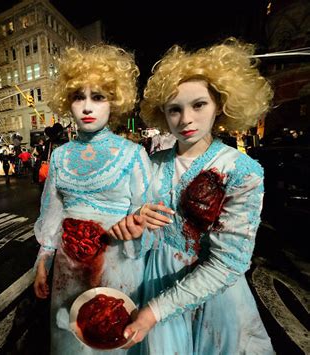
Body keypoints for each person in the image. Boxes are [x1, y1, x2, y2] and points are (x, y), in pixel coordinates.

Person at [109, 38, 274, 354]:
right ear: (162, 114)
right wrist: (129, 227)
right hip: (151, 282)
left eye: (199, 104)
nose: (186, 119)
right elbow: (130, 242)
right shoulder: (149, 164)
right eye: (175, 109)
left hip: (213, 300)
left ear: (220, 104)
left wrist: (155, 311)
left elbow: (229, 263)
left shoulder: (241, 169)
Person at [33, 44, 152, 354]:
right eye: (78, 97)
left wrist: (137, 229)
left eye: (98, 97)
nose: (87, 107)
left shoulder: (134, 155)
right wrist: (43, 261)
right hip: (68, 267)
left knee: (112, 341)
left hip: (118, 265)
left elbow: (147, 218)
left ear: (114, 100)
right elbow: (52, 213)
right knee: (70, 339)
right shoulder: (59, 156)